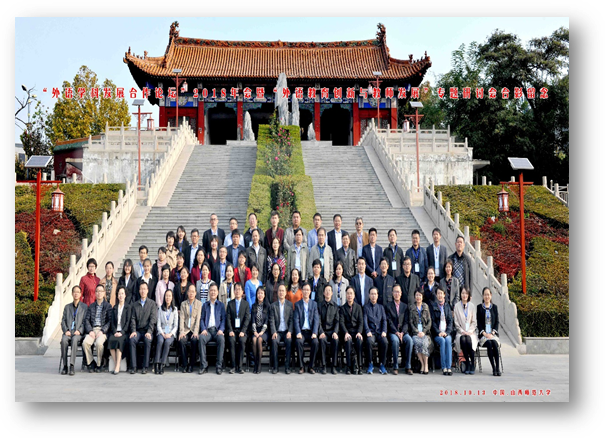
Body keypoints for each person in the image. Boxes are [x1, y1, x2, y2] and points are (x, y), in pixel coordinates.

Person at [128, 282, 157, 374]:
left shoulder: (152, 304)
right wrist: (133, 331)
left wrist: (149, 331)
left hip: (147, 331)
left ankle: (145, 366)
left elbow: (153, 319)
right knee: (132, 340)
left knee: (148, 340)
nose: (143, 291)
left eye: (144, 289)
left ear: (147, 291)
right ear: (139, 291)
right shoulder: (135, 304)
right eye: (141, 289)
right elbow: (132, 319)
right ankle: (134, 366)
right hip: (138, 331)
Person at [82, 285, 112, 372]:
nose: (99, 293)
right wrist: (90, 330)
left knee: (99, 343)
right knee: (85, 343)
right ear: (95, 293)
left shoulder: (108, 306)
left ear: (104, 293)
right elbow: (86, 320)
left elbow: (109, 321)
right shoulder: (91, 306)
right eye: (97, 291)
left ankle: (99, 364)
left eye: (101, 291)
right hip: (92, 330)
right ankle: (91, 362)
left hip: (102, 331)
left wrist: (102, 331)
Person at [385, 284, 413, 375]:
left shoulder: (405, 306)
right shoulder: (388, 306)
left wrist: (402, 332)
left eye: (398, 292)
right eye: (395, 292)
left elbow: (406, 322)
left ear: (401, 293)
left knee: (409, 340)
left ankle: (408, 366)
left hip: (403, 332)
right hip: (393, 332)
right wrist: (396, 332)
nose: (397, 294)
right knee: (395, 341)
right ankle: (395, 366)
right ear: (392, 293)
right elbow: (389, 321)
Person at [60, 286, 88, 375]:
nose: (76, 294)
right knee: (64, 340)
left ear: (80, 294)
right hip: (68, 332)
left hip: (78, 333)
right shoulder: (67, 307)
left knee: (75, 339)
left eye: (78, 292)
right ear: (72, 294)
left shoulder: (84, 307)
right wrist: (66, 330)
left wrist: (79, 330)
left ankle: (72, 365)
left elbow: (85, 321)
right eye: (74, 292)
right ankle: (65, 366)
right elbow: (63, 321)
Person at [199, 283, 226, 375]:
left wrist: (221, 330)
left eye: (215, 290)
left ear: (217, 292)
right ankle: (204, 365)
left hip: (217, 331)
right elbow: (202, 319)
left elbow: (223, 319)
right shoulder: (205, 305)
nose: (213, 292)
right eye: (211, 290)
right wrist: (203, 329)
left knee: (221, 339)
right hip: (208, 331)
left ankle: (219, 366)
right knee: (201, 338)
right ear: (209, 292)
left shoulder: (221, 305)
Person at [293, 282, 320, 374]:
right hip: (302, 331)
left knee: (315, 342)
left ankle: (311, 366)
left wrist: (315, 332)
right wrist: (298, 332)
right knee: (298, 342)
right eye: (304, 290)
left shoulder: (314, 304)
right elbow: (296, 319)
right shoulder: (298, 304)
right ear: (302, 291)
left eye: (307, 290)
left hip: (311, 331)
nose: (306, 292)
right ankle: (301, 366)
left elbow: (316, 319)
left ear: (310, 291)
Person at [226, 282, 251, 374]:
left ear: (242, 291)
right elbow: (228, 318)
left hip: (242, 330)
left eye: (239, 289)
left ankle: (240, 367)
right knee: (231, 340)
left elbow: (247, 319)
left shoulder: (246, 304)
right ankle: (233, 366)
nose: (237, 291)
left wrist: (243, 331)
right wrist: (230, 330)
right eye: (236, 289)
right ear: (234, 291)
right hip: (233, 330)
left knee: (242, 341)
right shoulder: (230, 303)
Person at [363, 287, 388, 375]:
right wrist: (367, 331)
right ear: (369, 295)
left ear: (377, 296)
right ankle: (370, 364)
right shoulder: (366, 307)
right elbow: (365, 321)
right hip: (371, 332)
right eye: (372, 294)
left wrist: (384, 331)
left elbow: (384, 320)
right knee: (369, 341)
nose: (373, 296)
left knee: (385, 341)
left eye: (375, 294)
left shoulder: (381, 307)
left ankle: (382, 364)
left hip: (380, 332)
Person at [269, 283, 294, 374]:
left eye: (283, 291)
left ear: (286, 293)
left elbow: (291, 320)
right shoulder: (273, 306)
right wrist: (274, 332)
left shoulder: (289, 305)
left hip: (286, 331)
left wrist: (290, 331)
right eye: (279, 291)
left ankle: (287, 367)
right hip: (278, 332)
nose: (281, 292)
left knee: (289, 341)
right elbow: (271, 320)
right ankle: (275, 367)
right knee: (274, 341)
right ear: (277, 293)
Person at [339, 286, 364, 375]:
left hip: (356, 332)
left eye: (351, 293)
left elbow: (361, 322)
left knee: (359, 341)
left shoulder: (358, 307)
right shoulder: (342, 308)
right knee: (348, 341)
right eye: (348, 293)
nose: (349, 295)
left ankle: (359, 366)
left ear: (354, 295)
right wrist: (346, 333)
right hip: (347, 332)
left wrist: (359, 332)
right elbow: (341, 322)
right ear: (346, 295)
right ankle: (349, 366)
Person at [107, 286, 132, 375]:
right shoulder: (115, 307)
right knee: (110, 340)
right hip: (115, 331)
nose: (121, 295)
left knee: (119, 341)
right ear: (117, 296)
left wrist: (121, 332)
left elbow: (128, 322)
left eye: (122, 293)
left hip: (124, 332)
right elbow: (112, 322)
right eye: (119, 294)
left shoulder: (128, 307)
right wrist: (114, 332)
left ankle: (117, 366)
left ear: (125, 295)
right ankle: (116, 363)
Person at [178, 284, 202, 373]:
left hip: (194, 329)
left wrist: (196, 332)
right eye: (190, 292)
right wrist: (181, 332)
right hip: (185, 329)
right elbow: (182, 319)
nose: (191, 293)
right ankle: (185, 364)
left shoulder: (199, 304)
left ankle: (191, 365)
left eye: (193, 292)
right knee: (182, 341)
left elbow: (198, 319)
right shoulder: (183, 304)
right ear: (187, 293)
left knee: (194, 340)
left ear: (195, 293)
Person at [477, 287, 501, 376]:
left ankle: (498, 368)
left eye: (488, 295)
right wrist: (484, 334)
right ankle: (493, 368)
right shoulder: (479, 307)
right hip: (483, 336)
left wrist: (492, 333)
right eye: (485, 295)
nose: (486, 297)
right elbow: (479, 323)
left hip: (492, 334)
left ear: (491, 295)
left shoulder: (494, 307)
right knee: (489, 344)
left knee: (494, 343)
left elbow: (497, 322)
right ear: (483, 296)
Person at [430, 287, 454, 376]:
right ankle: (444, 367)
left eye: (441, 293)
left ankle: (449, 367)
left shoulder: (447, 306)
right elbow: (432, 322)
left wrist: (447, 332)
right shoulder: (433, 306)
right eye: (438, 293)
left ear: (444, 295)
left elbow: (450, 321)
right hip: (438, 334)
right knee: (442, 341)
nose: (440, 295)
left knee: (448, 340)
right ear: (436, 295)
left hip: (446, 333)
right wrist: (438, 332)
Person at [454, 287, 478, 374]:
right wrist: (462, 331)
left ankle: (472, 362)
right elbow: (456, 322)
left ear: (468, 295)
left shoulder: (472, 306)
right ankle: (467, 362)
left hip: (471, 332)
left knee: (468, 339)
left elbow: (474, 322)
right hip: (460, 332)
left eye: (466, 293)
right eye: (463, 293)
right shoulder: (457, 306)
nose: (464, 295)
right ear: (460, 294)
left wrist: (470, 331)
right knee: (463, 339)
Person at [409, 289, 433, 375]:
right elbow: (411, 322)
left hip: (425, 333)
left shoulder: (426, 306)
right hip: (416, 333)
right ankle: (422, 364)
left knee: (424, 342)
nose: (418, 297)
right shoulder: (412, 307)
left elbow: (429, 321)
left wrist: (424, 331)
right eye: (416, 295)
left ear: (422, 297)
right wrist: (417, 332)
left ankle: (426, 364)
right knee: (417, 342)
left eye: (420, 295)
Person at [154, 289, 178, 374]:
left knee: (167, 342)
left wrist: (170, 334)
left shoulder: (175, 310)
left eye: (169, 296)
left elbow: (176, 326)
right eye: (166, 296)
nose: (168, 298)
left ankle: (162, 364)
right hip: (162, 332)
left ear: (172, 298)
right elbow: (158, 325)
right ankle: (157, 363)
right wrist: (163, 333)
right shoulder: (160, 308)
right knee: (160, 341)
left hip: (170, 333)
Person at [318, 285, 340, 374]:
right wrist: (321, 332)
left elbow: (337, 321)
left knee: (335, 340)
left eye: (329, 291)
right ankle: (324, 365)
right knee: (322, 340)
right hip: (323, 331)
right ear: (323, 293)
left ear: (332, 293)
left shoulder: (335, 306)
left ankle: (333, 366)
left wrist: (335, 332)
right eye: (326, 291)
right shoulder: (319, 305)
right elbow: (318, 321)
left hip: (332, 331)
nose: (327, 292)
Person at [250, 287, 269, 374]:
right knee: (254, 339)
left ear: (264, 295)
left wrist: (261, 332)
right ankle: (255, 363)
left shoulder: (267, 306)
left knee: (260, 340)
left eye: (261, 293)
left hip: (264, 330)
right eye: (258, 293)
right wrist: (255, 331)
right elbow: (253, 320)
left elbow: (267, 321)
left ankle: (259, 364)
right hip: (255, 329)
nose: (260, 295)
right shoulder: (254, 306)